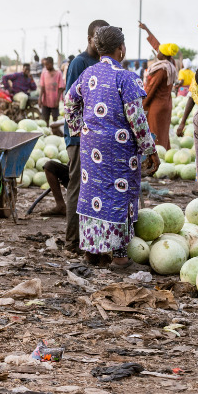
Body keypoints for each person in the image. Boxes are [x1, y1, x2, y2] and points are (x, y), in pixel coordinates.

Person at [64, 25, 159, 269]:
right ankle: (120, 258)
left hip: (91, 147)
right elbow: (137, 119)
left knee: (93, 193)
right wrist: (150, 150)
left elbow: (69, 102)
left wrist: (80, 128)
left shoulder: (88, 74)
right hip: (119, 150)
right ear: (121, 48)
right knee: (119, 194)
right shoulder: (126, 78)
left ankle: (91, 253)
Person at [63, 19, 110, 253]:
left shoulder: (103, 62)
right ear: (89, 39)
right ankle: (72, 241)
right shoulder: (79, 63)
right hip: (80, 137)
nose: (100, 43)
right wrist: (79, 133)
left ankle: (89, 239)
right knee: (77, 186)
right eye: (97, 38)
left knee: (93, 188)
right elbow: (70, 101)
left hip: (96, 138)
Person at [139, 22, 176, 149]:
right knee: (163, 133)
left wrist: (141, 105)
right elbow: (158, 45)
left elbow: (150, 90)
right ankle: (164, 153)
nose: (157, 52)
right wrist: (147, 30)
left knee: (155, 134)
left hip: (156, 106)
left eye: (159, 51)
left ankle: (157, 157)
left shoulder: (161, 69)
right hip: (166, 104)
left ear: (163, 55)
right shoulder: (171, 64)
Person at [39, 56, 66, 122]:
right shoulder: (44, 73)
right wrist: (40, 98)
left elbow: (60, 88)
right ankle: (47, 127)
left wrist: (57, 100)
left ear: (52, 63)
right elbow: (42, 87)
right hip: (45, 100)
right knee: (45, 117)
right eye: (45, 65)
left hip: (54, 100)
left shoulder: (58, 73)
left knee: (55, 118)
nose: (46, 66)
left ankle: (54, 128)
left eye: (47, 65)